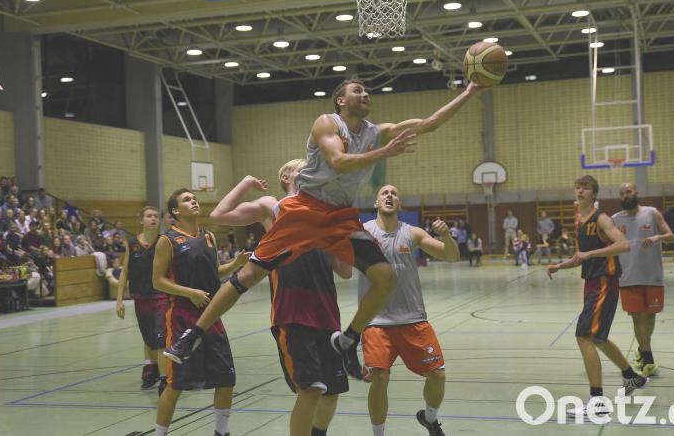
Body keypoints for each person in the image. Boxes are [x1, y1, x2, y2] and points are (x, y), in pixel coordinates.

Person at [165, 79, 483, 381]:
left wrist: (469, 91)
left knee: (386, 277)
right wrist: (385, 153)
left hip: (339, 217)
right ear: (341, 100)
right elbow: (338, 161)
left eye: (367, 91)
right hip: (305, 209)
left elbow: (430, 123)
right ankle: (193, 334)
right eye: (358, 90)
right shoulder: (327, 123)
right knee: (248, 275)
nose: (365, 94)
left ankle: (348, 339)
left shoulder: (376, 132)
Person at [209, 160, 352, 436]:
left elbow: (345, 271)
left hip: (327, 314)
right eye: (303, 167)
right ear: (286, 177)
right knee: (310, 388)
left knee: (332, 392)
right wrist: (246, 183)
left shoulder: (323, 215)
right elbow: (219, 214)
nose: (311, 171)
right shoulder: (273, 207)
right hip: (292, 312)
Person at [360, 185, 458, 436]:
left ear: (399, 204)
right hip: (376, 321)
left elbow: (450, 256)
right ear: (376, 203)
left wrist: (446, 236)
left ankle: (430, 419)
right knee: (379, 378)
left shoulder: (412, 233)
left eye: (394, 193)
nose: (389, 195)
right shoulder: (362, 232)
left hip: (412, 318)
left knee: (437, 375)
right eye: (384, 193)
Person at [547, 175, 647, 418]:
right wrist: (561, 265)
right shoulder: (580, 221)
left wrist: (590, 255)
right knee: (599, 338)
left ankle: (597, 401)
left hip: (604, 282)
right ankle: (631, 377)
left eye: (586, 188)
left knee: (584, 336)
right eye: (577, 187)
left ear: (594, 193)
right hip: (592, 282)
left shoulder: (601, 218)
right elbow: (581, 256)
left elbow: (623, 245)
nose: (580, 191)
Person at [152, 188, 250, 436]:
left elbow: (214, 272)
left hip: (211, 315)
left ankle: (222, 432)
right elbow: (158, 281)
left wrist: (235, 264)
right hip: (181, 317)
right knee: (176, 384)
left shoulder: (209, 237)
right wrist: (189, 292)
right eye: (187, 200)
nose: (193, 201)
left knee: (226, 379)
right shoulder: (167, 240)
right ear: (176, 211)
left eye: (194, 198)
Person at [612, 183, 673, 377]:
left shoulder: (652, 213)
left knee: (650, 317)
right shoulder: (615, 219)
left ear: (636, 193)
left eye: (628, 192)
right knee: (638, 317)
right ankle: (648, 360)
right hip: (627, 276)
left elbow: (670, 236)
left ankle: (642, 349)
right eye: (622, 193)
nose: (625, 195)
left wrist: (658, 237)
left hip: (652, 275)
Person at [115, 206, 168, 391]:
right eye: (149, 216)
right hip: (140, 298)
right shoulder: (132, 243)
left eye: (156, 216)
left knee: (161, 338)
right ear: (141, 220)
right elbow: (125, 272)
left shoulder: (164, 241)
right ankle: (152, 369)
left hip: (161, 296)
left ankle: (165, 378)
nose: (153, 219)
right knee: (149, 339)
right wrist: (119, 300)